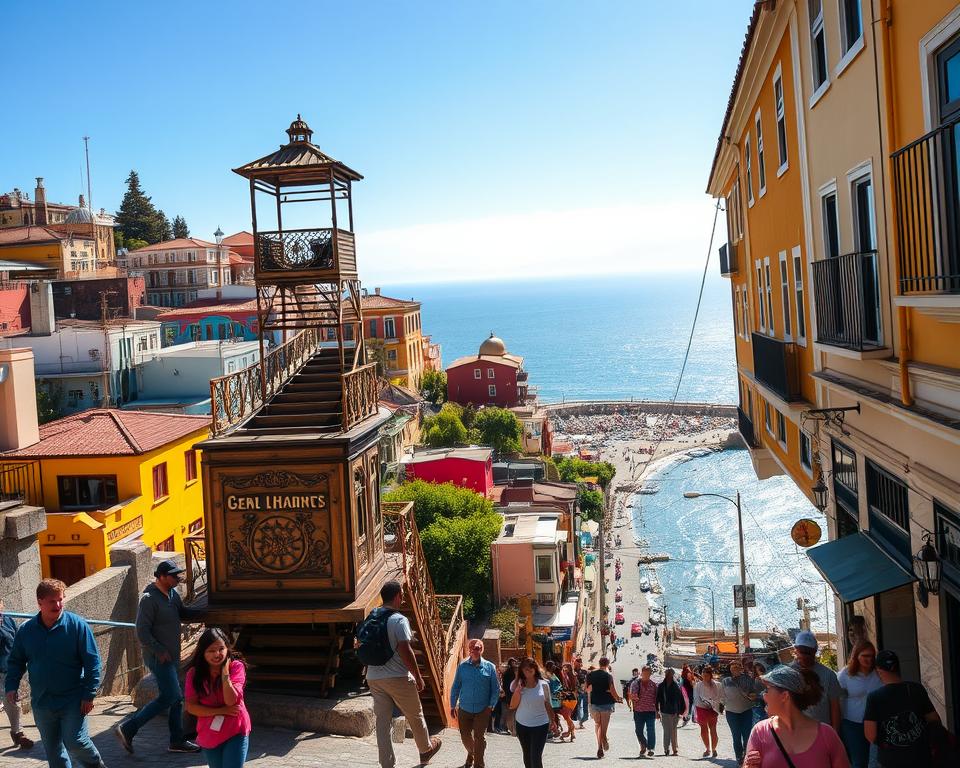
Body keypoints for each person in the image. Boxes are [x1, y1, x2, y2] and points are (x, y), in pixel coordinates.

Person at [4, 578, 106, 768]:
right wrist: (11, 686)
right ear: (39, 602)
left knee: (76, 741)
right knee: (54, 752)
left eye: (61, 599)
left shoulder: (77, 626)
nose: (58, 605)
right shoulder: (27, 631)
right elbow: (16, 661)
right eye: (52, 601)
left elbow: (93, 662)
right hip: (42, 703)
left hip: (73, 700)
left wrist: (89, 694)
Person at [116, 560, 201, 754]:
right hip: (159, 658)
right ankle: (129, 728)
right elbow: (142, 632)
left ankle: (176, 741)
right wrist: (159, 650)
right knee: (172, 696)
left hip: (172, 655)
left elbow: (183, 613)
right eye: (173, 575)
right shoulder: (149, 599)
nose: (177, 578)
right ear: (161, 577)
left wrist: (206, 612)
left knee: (174, 699)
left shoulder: (173, 594)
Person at [362, 581, 442, 768]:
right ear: (398, 595)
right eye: (403, 594)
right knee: (415, 714)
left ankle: (387, 764)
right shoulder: (398, 620)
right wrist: (418, 675)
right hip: (397, 676)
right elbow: (406, 650)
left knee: (382, 723)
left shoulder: (370, 617)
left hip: (373, 676)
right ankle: (425, 750)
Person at [744, 665, 849, 768]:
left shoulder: (826, 735)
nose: (764, 695)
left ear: (785, 696)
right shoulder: (760, 732)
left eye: (767, 689)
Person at [183, 628, 251, 768]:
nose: (217, 654)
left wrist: (225, 675)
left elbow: (231, 701)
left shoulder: (236, 667)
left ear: (227, 648)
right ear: (202, 652)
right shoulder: (194, 674)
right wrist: (222, 711)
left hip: (236, 729)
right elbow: (192, 707)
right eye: (211, 651)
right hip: (209, 732)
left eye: (221, 649)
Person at [863, 649, 940, 767]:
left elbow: (870, 734)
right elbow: (934, 719)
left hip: (891, 759)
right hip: (920, 756)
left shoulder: (875, 698)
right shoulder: (916, 689)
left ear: (879, 671)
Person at [449, 639, 498, 768]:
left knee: (479, 737)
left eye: (477, 648)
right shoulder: (462, 666)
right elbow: (456, 686)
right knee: (464, 736)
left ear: (481, 650)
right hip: (465, 707)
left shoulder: (490, 667)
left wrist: (491, 705)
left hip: (483, 709)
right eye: (472, 647)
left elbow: (495, 689)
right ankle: (473, 753)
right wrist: (453, 705)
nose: (474, 650)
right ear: (469, 649)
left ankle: (479, 764)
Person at [837, 641, 882, 768]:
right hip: (853, 724)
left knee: (877, 761)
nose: (869, 660)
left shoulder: (878, 673)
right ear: (856, 656)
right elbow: (837, 699)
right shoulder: (845, 675)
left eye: (872, 656)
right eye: (865, 656)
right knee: (859, 761)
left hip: (876, 722)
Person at [509, 657, 559, 768]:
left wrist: (553, 721)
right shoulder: (517, 684)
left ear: (535, 668)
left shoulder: (544, 684)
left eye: (531, 667)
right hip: (522, 724)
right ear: (521, 670)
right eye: (525, 668)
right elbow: (512, 705)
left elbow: (548, 704)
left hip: (541, 724)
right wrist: (518, 690)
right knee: (527, 756)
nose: (528, 670)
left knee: (536, 757)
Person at [790, 629, 841, 732]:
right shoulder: (787, 673)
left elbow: (835, 707)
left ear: (815, 651)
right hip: (795, 734)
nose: (805, 656)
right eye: (802, 651)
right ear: (795, 650)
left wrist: (835, 733)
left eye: (808, 652)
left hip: (821, 732)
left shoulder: (829, 675)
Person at [0, 599, 33, 750]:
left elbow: (17, 642)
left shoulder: (8, 621)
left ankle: (18, 733)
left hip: (9, 670)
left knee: (13, 702)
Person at [723, 658, 764, 765]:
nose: (735, 669)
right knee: (736, 737)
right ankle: (739, 758)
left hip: (746, 711)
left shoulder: (748, 679)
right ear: (730, 669)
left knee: (747, 736)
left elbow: (755, 693)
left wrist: (752, 696)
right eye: (733, 667)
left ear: (741, 668)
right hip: (731, 713)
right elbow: (722, 696)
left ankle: (747, 758)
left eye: (737, 666)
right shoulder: (725, 681)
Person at [585, 656, 624, 759]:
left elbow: (587, 689)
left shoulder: (590, 675)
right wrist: (618, 698)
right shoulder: (608, 675)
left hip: (594, 703)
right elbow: (612, 690)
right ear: (607, 664)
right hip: (606, 703)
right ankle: (604, 738)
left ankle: (599, 747)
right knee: (604, 727)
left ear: (599, 663)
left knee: (598, 725)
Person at [693, 664, 723, 758]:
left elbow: (720, 697)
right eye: (703, 675)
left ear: (710, 675)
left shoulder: (717, 685)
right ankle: (707, 749)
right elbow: (696, 698)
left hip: (713, 709)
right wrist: (704, 703)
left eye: (706, 675)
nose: (705, 677)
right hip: (701, 709)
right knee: (703, 730)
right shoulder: (698, 685)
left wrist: (714, 704)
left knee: (713, 729)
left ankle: (714, 749)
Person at [629, 665, 658, 757]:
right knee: (638, 731)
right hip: (638, 711)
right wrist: (634, 697)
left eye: (648, 673)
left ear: (650, 674)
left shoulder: (654, 685)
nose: (646, 675)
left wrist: (657, 711)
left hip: (650, 710)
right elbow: (631, 695)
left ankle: (651, 748)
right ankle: (644, 744)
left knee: (651, 730)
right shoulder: (635, 683)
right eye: (644, 673)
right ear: (641, 673)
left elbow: (656, 699)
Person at [657, 668, 685, 757]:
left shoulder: (676, 686)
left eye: (670, 674)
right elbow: (657, 699)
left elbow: (680, 700)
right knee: (666, 731)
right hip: (664, 711)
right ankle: (666, 748)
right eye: (667, 674)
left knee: (673, 731)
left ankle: (674, 749)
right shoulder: (661, 686)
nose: (668, 676)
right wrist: (657, 711)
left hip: (674, 712)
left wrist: (680, 711)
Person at [557, 662, 578, 741]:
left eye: (565, 668)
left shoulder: (565, 677)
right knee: (567, 717)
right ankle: (571, 734)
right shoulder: (574, 676)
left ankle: (570, 733)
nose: (564, 670)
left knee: (567, 718)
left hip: (567, 698)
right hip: (573, 698)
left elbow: (563, 688)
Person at [501, 658, 519, 736]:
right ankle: (509, 727)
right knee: (510, 712)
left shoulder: (514, 672)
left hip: (513, 694)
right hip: (510, 695)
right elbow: (506, 684)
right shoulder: (509, 672)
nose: (514, 663)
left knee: (512, 712)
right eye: (513, 662)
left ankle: (512, 728)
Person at [573, 656, 589, 729]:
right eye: (576, 664)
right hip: (578, 692)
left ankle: (582, 720)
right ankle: (580, 721)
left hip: (585, 691)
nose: (578, 665)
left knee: (585, 706)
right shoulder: (573, 672)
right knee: (579, 707)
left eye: (579, 663)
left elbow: (588, 681)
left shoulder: (584, 672)